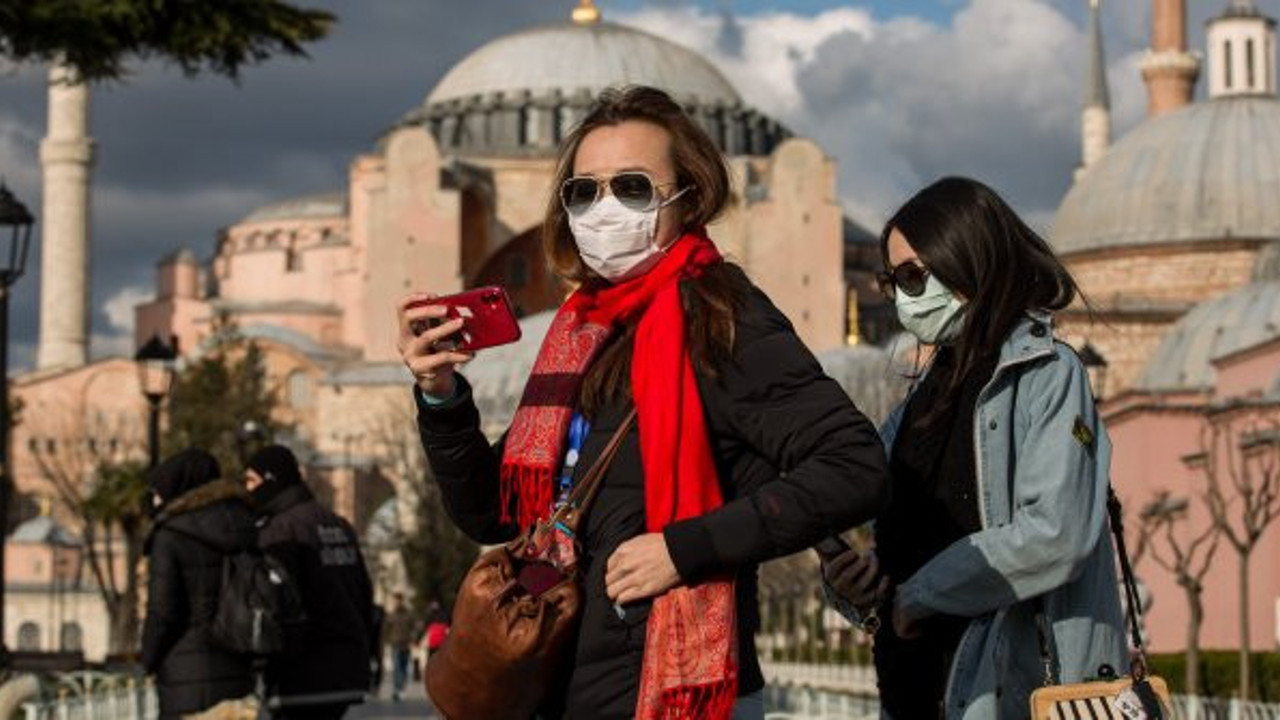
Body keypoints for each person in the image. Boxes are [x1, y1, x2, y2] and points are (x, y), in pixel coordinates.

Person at [398, 84, 889, 719]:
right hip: (568, 684)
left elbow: (853, 464)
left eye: (632, 187)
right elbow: (493, 514)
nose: (604, 209)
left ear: (689, 197)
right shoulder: (582, 333)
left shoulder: (720, 315)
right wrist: (441, 397)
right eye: (584, 191)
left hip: (676, 693)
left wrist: (684, 548)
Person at [822, 176, 1128, 719]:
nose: (904, 297)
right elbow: (904, 558)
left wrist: (920, 594)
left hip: (1014, 690)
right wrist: (857, 586)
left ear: (968, 260)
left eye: (915, 275)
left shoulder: (1046, 375)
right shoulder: (917, 406)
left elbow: (1055, 534)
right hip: (917, 688)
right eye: (893, 281)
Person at [243, 444, 375, 719]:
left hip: (302, 673)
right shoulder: (337, 524)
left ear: (272, 480)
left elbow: (276, 602)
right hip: (345, 669)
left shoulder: (280, 529)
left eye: (251, 480)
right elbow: (363, 594)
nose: (247, 489)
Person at [141, 449, 258, 720]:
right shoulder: (249, 524)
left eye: (157, 492)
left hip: (185, 676)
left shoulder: (171, 535)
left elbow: (163, 612)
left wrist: (147, 660)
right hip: (240, 669)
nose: (154, 501)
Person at [383, 592, 417, 702]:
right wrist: (387, 640)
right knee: (397, 667)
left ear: (401, 600)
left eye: (398, 600)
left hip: (405, 644)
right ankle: (397, 689)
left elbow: (415, 627)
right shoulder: (391, 614)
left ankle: (401, 687)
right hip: (395, 644)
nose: (397, 602)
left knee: (403, 667)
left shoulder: (408, 614)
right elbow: (386, 628)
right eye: (395, 600)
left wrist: (413, 639)